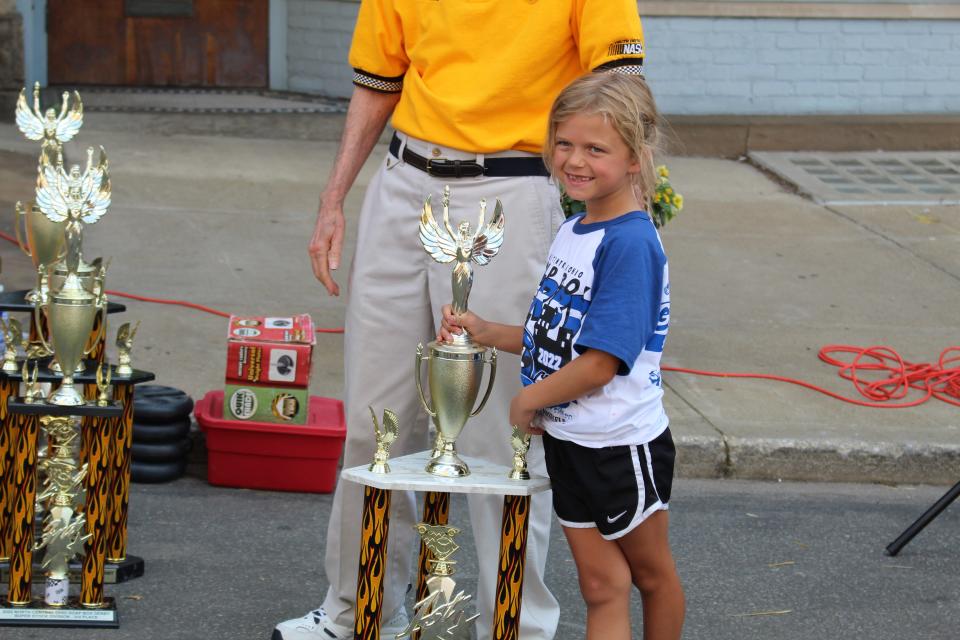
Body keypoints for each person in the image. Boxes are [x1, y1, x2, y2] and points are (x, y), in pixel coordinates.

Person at [274, 2, 647, 639]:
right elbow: (377, 82)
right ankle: (356, 612)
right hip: (401, 183)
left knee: (506, 433)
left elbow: (621, 84)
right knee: (375, 423)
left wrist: (627, 218)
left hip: (510, 184)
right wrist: (333, 196)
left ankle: (516, 627)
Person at [438, 72, 685, 640]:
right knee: (600, 587)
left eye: (596, 148)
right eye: (564, 143)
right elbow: (554, 336)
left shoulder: (630, 244)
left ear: (635, 158)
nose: (574, 160)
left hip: (620, 444)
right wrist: (485, 330)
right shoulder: (575, 227)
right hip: (572, 442)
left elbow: (601, 363)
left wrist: (528, 399)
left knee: (652, 576)